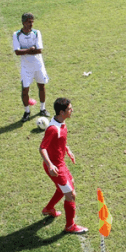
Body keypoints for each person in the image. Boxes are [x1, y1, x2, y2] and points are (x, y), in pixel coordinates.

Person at [39, 98, 88, 234]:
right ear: (61, 112)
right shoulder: (53, 129)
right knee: (71, 194)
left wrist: (67, 149)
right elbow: (42, 148)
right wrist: (50, 165)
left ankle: (48, 208)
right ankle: (70, 226)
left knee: (68, 185)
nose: (72, 111)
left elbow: (60, 140)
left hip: (60, 163)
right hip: (55, 167)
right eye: (69, 109)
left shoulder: (61, 122)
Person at [13, 13, 50, 122]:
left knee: (41, 86)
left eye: (32, 22)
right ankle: (27, 111)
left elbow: (39, 50)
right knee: (25, 90)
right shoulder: (17, 35)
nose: (31, 24)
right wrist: (30, 50)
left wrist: (25, 51)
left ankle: (42, 109)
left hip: (38, 65)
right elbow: (17, 52)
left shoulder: (36, 33)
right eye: (29, 22)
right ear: (23, 22)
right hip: (26, 67)